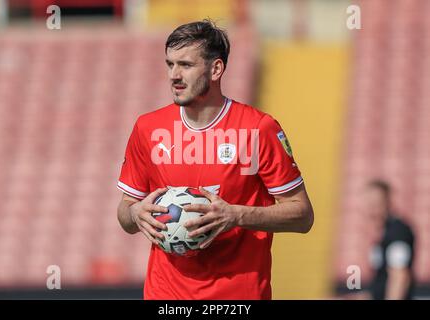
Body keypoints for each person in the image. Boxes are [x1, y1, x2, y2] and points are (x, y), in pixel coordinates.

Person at [116, 19, 314, 300]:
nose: (174, 75)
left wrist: (236, 215)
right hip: (166, 297)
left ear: (216, 69)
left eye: (185, 65)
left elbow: (302, 215)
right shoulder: (148, 129)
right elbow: (125, 211)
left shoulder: (258, 129)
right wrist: (135, 214)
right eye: (170, 64)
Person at [363, 180, 415, 300]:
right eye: (369, 203)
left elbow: (399, 277)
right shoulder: (383, 232)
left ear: (387, 202)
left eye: (376, 203)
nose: (372, 209)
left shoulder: (398, 232)